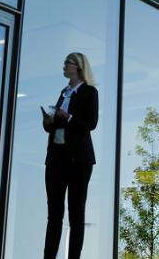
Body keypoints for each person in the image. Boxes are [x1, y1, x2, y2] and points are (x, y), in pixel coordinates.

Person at [41, 52, 98, 259]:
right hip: (56, 158)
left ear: (79, 67)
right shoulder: (64, 92)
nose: (64, 66)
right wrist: (49, 122)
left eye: (68, 63)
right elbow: (58, 127)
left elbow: (90, 123)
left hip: (78, 160)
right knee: (54, 214)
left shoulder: (89, 92)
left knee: (76, 214)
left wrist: (69, 117)